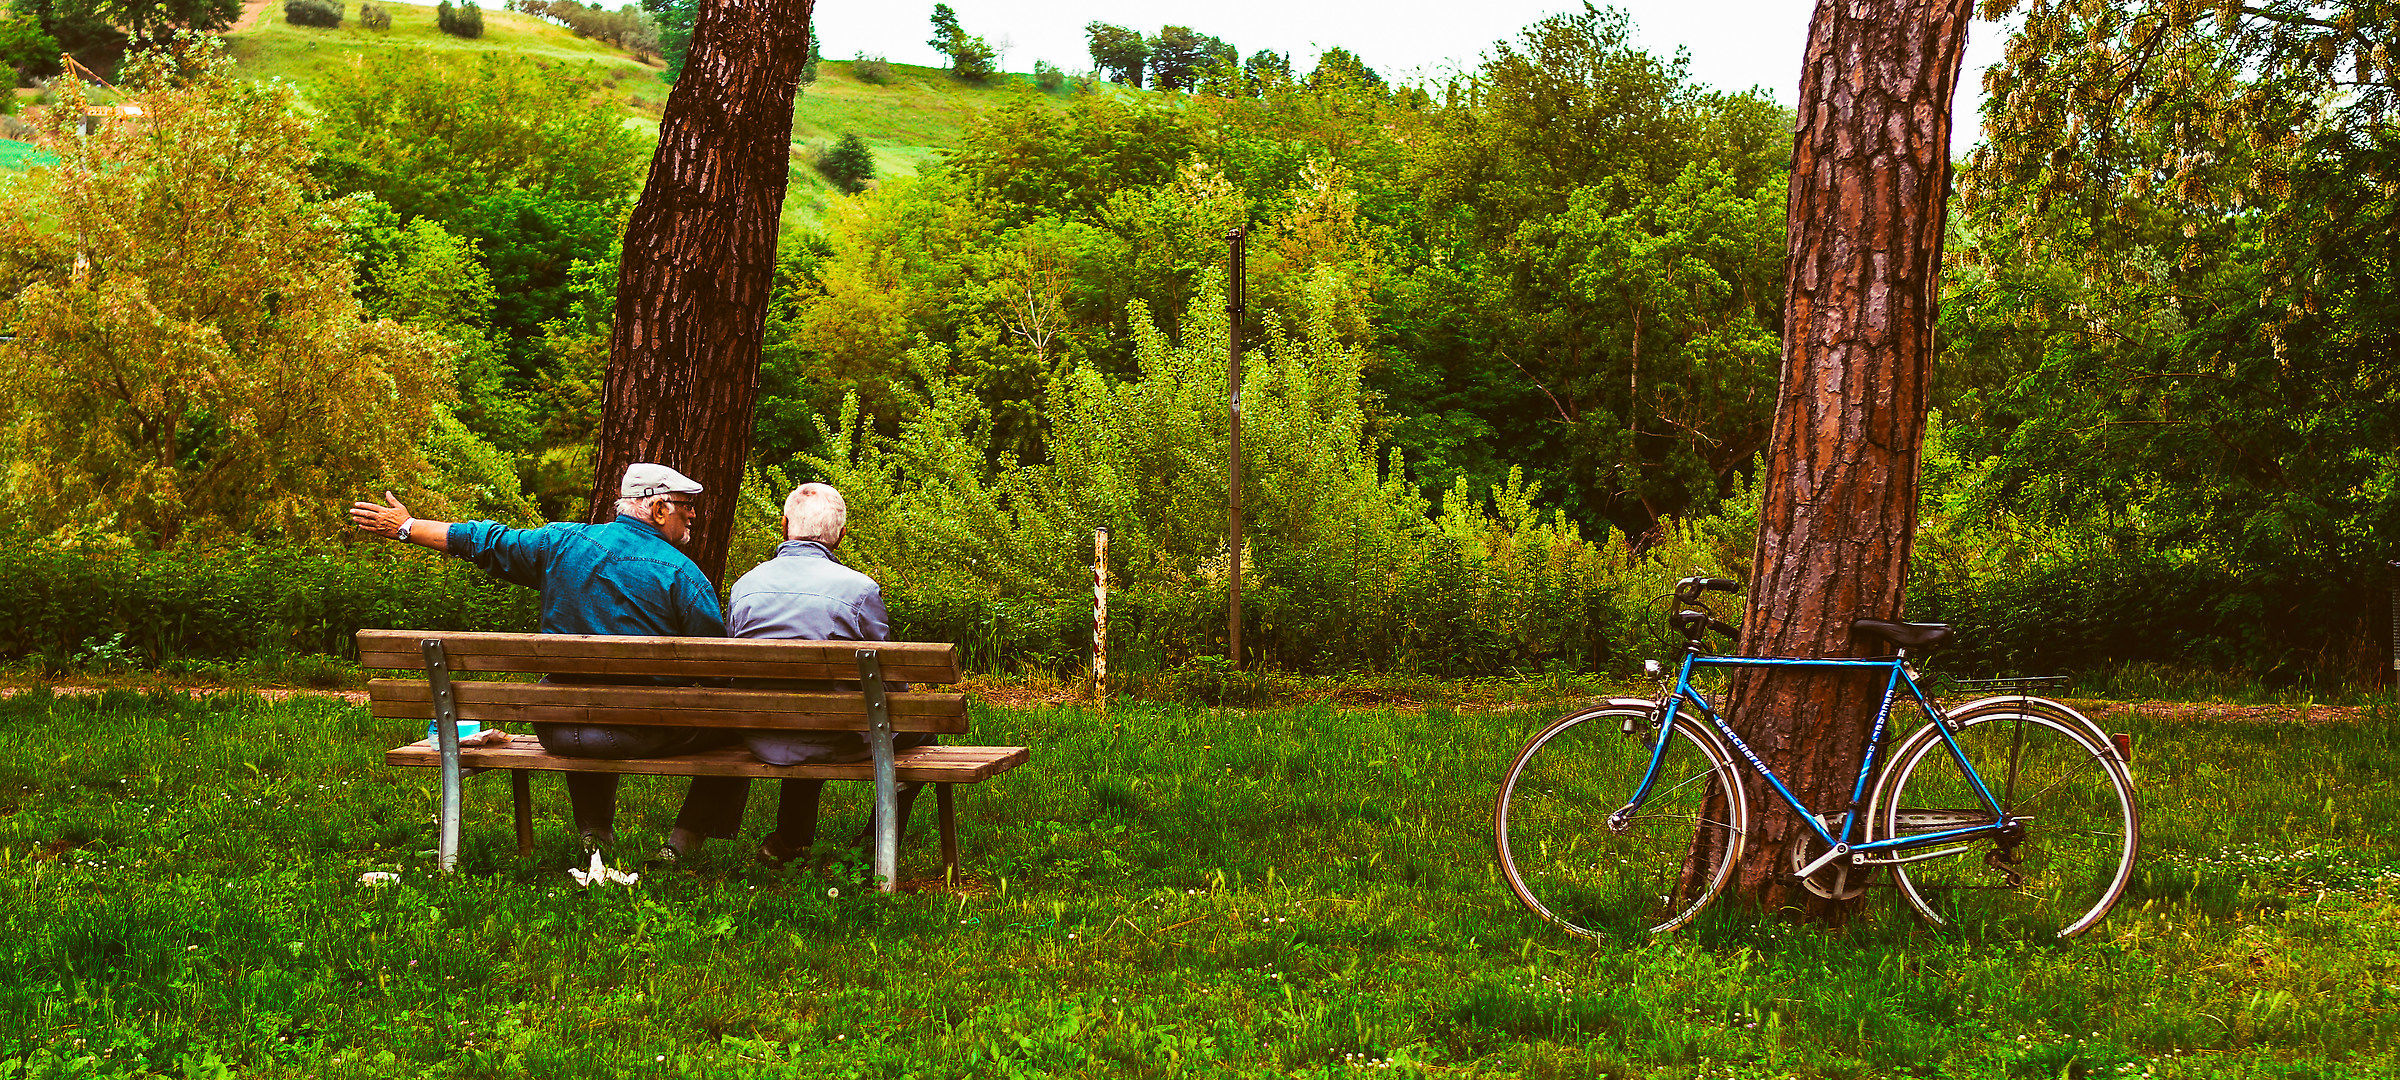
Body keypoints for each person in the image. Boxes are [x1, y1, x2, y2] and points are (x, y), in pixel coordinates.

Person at [346, 463, 745, 864]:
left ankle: (594, 836)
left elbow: (488, 540)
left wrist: (408, 526)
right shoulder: (683, 576)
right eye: (685, 505)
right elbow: (714, 669)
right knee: (745, 723)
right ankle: (681, 844)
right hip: (635, 731)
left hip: (555, 725)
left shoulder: (561, 543)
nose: (693, 514)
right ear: (659, 510)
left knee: (585, 700)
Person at [723, 482, 932, 867]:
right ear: (840, 534)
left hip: (762, 734)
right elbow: (887, 677)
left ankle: (791, 837)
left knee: (803, 708)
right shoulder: (859, 590)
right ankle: (874, 843)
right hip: (836, 736)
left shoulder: (745, 587)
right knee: (921, 727)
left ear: (784, 525)